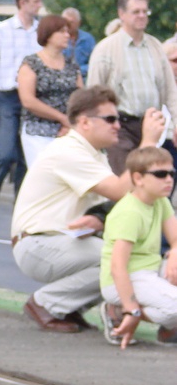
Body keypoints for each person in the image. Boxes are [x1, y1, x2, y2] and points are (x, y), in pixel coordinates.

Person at [11, 86, 165, 332]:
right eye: (110, 119)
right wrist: (148, 143)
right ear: (84, 122)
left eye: (119, 119)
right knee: (117, 259)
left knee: (124, 255)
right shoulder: (69, 150)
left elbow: (120, 201)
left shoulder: (92, 153)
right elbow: (120, 190)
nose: (117, 125)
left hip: (58, 241)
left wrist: (99, 218)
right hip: (38, 244)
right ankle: (46, 303)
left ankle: (69, 308)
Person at [86, 0, 177, 174]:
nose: (142, 16)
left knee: (150, 179)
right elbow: (93, 93)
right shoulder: (106, 49)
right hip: (119, 126)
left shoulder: (155, 47)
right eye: (136, 11)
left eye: (145, 11)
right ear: (122, 14)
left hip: (151, 125)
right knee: (125, 179)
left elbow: (170, 90)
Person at [0, 0, 46, 225]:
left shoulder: (40, 31)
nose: (39, 5)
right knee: (5, 154)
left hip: (33, 97)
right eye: (36, 1)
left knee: (26, 157)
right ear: (22, 2)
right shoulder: (3, 30)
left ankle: (20, 211)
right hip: (8, 96)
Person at [99, 146, 177, 346]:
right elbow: (118, 267)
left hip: (150, 272)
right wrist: (131, 308)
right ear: (138, 178)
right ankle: (118, 311)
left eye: (171, 173)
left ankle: (169, 328)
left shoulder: (160, 201)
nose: (169, 179)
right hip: (124, 280)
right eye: (160, 174)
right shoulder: (130, 212)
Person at [18, 14, 82, 166]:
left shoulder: (71, 64)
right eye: (61, 31)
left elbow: (81, 96)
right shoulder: (31, 63)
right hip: (38, 130)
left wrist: (68, 123)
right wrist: (61, 118)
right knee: (44, 171)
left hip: (69, 130)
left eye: (68, 31)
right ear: (48, 34)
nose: (67, 35)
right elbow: (28, 101)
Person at [62, 7, 94, 76]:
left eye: (71, 22)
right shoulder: (58, 39)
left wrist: (77, 70)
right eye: (65, 22)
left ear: (79, 23)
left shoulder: (87, 39)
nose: (68, 25)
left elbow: (94, 62)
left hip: (84, 77)